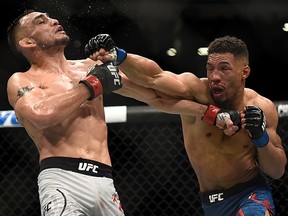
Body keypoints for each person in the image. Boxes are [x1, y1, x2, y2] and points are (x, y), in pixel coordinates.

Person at [6, 10, 239, 216]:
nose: (53, 20)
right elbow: (42, 115)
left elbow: (153, 95)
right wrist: (90, 86)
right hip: (63, 179)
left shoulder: (90, 68)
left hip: (105, 181)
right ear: (27, 42)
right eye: (41, 21)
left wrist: (209, 113)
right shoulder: (23, 80)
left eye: (50, 17)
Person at [84, 34, 287, 216]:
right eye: (210, 68)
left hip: (250, 195)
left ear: (244, 72)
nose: (215, 76)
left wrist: (261, 138)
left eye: (224, 68)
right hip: (210, 204)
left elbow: (276, 171)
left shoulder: (261, 107)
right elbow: (153, 78)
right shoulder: (195, 91)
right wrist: (118, 56)